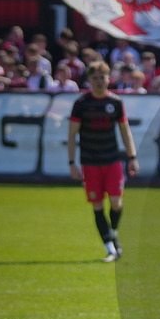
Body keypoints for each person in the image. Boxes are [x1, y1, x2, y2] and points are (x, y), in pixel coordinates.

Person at [68, 61, 140, 263]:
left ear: (109, 78)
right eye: (95, 78)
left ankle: (113, 232)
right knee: (97, 205)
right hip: (89, 162)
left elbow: (125, 131)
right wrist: (72, 162)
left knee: (116, 203)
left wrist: (132, 157)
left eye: (103, 77)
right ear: (89, 80)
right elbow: (72, 135)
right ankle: (110, 248)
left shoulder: (116, 103)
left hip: (112, 160)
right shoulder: (81, 104)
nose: (99, 81)